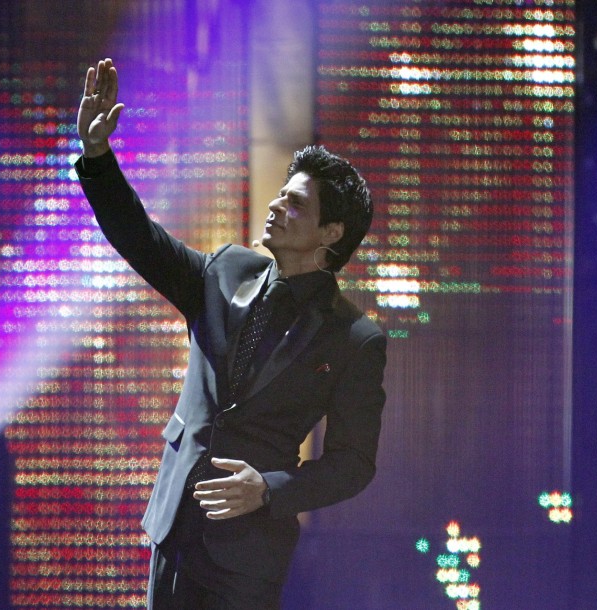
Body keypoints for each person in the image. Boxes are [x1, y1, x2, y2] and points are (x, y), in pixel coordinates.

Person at [75, 58, 387, 609]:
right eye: (281, 195)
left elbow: (353, 463)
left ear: (330, 233)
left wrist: (268, 489)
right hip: (173, 527)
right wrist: (99, 159)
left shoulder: (354, 338)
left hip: (248, 552)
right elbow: (141, 240)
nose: (275, 205)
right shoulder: (226, 270)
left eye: (295, 203)